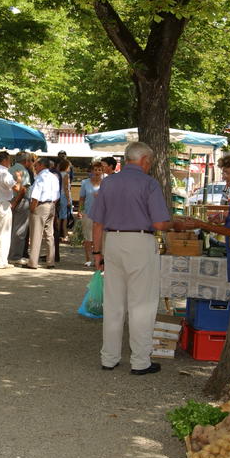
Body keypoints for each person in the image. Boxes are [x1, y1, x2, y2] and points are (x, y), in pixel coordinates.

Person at [89, 141, 179, 375]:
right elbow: (160, 223)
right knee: (142, 304)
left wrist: (97, 252)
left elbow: (97, 223)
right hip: (140, 241)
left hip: (113, 242)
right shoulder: (149, 183)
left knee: (114, 304)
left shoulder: (108, 183)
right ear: (145, 160)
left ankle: (109, 357)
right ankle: (140, 361)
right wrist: (174, 224)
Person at [176, 153, 230, 283]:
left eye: (227, 173)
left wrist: (201, 224)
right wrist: (226, 217)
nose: (224, 177)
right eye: (223, 173)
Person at [25, 157, 59, 269]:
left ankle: (33, 262)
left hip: (41, 206)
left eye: (36, 166)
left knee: (36, 234)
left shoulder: (40, 178)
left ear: (41, 165)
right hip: (51, 205)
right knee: (49, 235)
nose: (35, 168)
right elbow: (57, 195)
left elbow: (35, 196)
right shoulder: (54, 177)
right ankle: (51, 261)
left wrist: (32, 208)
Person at [8, 152, 33, 262]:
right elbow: (23, 189)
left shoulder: (9, 170)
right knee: (19, 230)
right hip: (21, 202)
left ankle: (8, 254)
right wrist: (16, 202)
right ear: (26, 161)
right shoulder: (24, 171)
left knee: (10, 229)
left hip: (9, 201)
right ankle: (15, 256)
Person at [79, 161, 104, 267]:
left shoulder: (106, 183)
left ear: (102, 171)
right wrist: (80, 211)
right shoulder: (85, 183)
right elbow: (81, 199)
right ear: (92, 171)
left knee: (100, 238)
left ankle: (98, 259)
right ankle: (88, 259)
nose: (97, 172)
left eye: (99, 170)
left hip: (102, 214)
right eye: (95, 169)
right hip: (88, 213)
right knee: (88, 237)